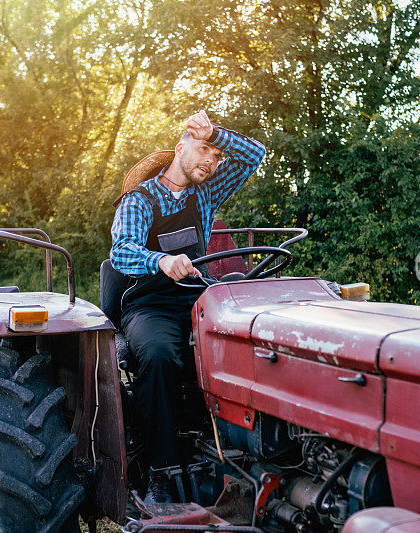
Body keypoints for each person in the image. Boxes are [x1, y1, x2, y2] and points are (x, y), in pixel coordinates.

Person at [110, 110, 266, 503]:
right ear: (180, 148)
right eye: (203, 151)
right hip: (151, 303)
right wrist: (160, 261)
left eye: (215, 157)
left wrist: (215, 134)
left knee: (246, 342)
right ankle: (161, 471)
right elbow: (122, 251)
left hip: (198, 295)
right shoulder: (140, 199)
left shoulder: (207, 194)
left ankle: (240, 453)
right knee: (160, 355)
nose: (209, 162)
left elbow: (255, 154)